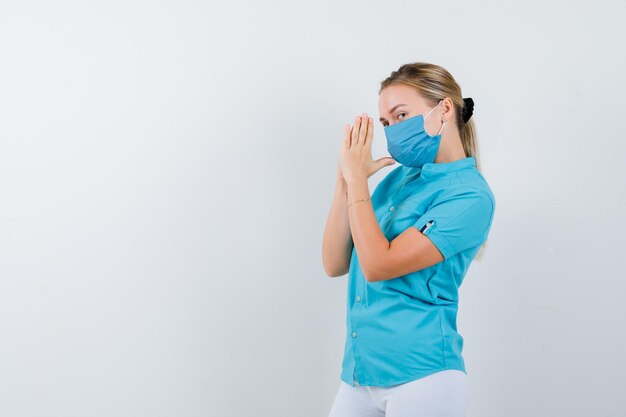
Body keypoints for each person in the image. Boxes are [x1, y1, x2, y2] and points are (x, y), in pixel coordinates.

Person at [322, 62, 496, 417]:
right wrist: (345, 180)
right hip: (359, 374)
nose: (392, 130)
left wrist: (359, 183)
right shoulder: (397, 181)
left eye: (401, 115)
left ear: (444, 109)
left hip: (423, 378)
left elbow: (378, 265)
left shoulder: (470, 196)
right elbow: (335, 263)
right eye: (386, 123)